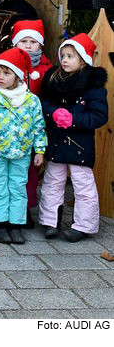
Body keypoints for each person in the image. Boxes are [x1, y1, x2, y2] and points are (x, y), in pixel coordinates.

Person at [38, 33, 108, 242]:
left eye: (71, 56)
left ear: (84, 59)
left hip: (79, 143)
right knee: (52, 181)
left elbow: (99, 116)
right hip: (57, 139)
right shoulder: (53, 78)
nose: (65, 60)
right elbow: (43, 101)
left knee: (83, 184)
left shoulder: (93, 85)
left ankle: (84, 225)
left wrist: (74, 119)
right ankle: (50, 221)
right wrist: (53, 113)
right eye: (63, 55)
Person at [0, 48, 47, 245]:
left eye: (6, 73)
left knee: (17, 187)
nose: (0, 77)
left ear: (18, 75)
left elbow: (38, 126)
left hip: (21, 153)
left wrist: (39, 150)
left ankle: (16, 223)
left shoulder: (31, 100)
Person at [12, 19, 54, 226]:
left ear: (40, 45)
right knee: (11, 169)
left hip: (34, 127)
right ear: (15, 44)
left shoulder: (47, 69)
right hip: (10, 127)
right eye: (23, 41)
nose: (28, 46)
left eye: (33, 42)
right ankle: (8, 207)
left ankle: (26, 208)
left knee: (30, 170)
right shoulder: (7, 65)